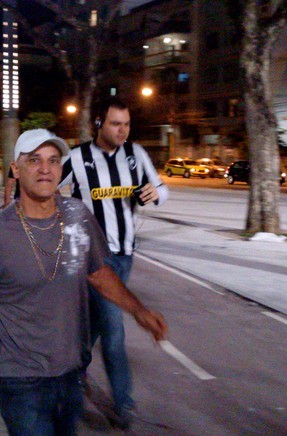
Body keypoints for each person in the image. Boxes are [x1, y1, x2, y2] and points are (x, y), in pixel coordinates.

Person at [0, 129, 168, 435]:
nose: (45, 168)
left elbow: (99, 274)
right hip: (19, 380)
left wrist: (139, 311)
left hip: (71, 373)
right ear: (15, 169)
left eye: (52, 160)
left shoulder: (78, 216)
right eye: (34, 160)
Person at [59, 97, 169, 429]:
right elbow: (46, 181)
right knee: (113, 328)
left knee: (94, 323)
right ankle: (124, 403)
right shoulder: (77, 158)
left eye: (126, 124)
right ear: (99, 123)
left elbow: (161, 189)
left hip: (126, 253)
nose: (122, 131)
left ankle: (72, 372)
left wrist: (155, 194)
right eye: (115, 124)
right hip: (92, 256)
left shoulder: (136, 155)